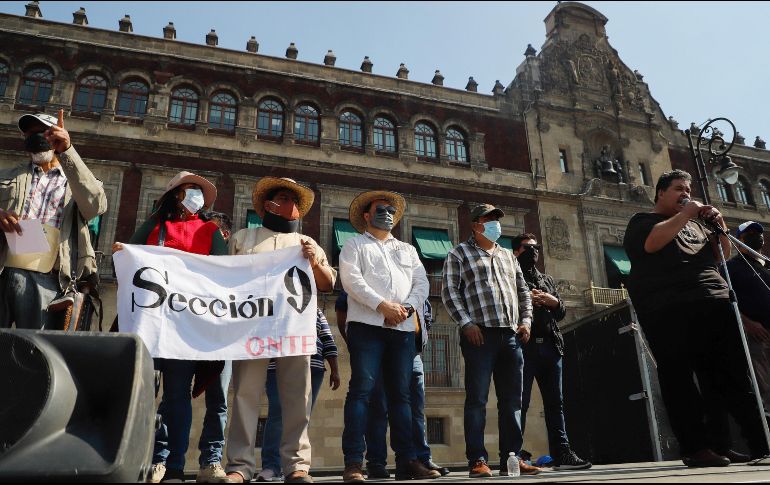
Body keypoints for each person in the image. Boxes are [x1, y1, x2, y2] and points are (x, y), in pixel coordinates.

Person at [623, 169, 769, 467]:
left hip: (714, 301)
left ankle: (753, 444)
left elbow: (721, 256)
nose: (685, 193)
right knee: (680, 380)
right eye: (678, 188)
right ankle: (695, 447)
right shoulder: (643, 222)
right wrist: (686, 213)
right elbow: (653, 244)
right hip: (669, 307)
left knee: (731, 378)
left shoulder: (696, 225)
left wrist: (718, 225)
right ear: (661, 193)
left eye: (688, 188)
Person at [114, 171, 228, 482]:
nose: (197, 196)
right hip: (154, 320)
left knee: (186, 394)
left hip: (192, 322)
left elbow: (223, 275)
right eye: (192, 189)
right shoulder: (153, 224)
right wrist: (120, 253)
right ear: (176, 193)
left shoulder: (210, 231)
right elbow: (129, 253)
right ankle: (158, 461)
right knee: (158, 393)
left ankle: (185, 463)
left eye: (200, 191)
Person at [224, 177, 335, 484]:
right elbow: (221, 278)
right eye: (285, 198)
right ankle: (240, 466)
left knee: (297, 397)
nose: (292, 206)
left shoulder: (308, 243)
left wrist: (314, 262)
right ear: (268, 205)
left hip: (294, 328)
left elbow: (328, 283)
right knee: (245, 394)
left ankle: (297, 465)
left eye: (295, 201)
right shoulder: (243, 238)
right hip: (250, 328)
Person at [339, 190, 439, 483]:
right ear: (367, 215)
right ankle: (354, 463)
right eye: (380, 209)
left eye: (391, 210)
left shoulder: (408, 250)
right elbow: (350, 280)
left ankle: (407, 462)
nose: (387, 213)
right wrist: (382, 305)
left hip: (403, 328)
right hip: (367, 326)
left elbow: (421, 282)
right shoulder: (354, 245)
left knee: (402, 397)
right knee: (361, 392)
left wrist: (406, 308)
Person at [441, 203, 541, 478]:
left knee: (513, 401)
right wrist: (466, 323)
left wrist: (527, 321)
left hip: (511, 335)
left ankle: (512, 458)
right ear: (476, 225)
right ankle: (477, 460)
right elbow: (449, 292)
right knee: (477, 399)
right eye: (490, 219)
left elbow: (523, 292)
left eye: (497, 219)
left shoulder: (509, 256)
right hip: (479, 336)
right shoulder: (458, 254)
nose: (496, 224)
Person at [0, 112, 107, 329]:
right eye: (30, 134)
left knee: (33, 349)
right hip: (3, 267)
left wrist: (67, 151)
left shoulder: (79, 182)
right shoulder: (5, 176)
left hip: (49, 278)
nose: (37, 138)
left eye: (44, 132)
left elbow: (95, 206)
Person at [336, 290, 449, 479]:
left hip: (411, 352)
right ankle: (376, 463)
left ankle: (419, 458)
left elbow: (425, 318)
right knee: (378, 407)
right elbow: (341, 307)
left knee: (414, 407)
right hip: (378, 347)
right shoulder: (374, 279)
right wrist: (355, 343)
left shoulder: (415, 285)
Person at [512, 233, 591, 471]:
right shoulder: (510, 276)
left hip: (550, 346)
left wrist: (552, 301)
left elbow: (562, 312)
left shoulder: (546, 279)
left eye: (537, 248)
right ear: (517, 251)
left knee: (555, 403)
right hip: (523, 347)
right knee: (520, 402)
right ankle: (514, 454)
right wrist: (525, 301)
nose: (534, 251)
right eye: (528, 248)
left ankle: (562, 453)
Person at [255, 308, 341, 482]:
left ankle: (295, 466)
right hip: (276, 366)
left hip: (313, 366)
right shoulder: (270, 302)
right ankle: (271, 466)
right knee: (277, 414)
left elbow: (327, 338)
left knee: (302, 416)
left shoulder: (315, 309)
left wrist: (335, 370)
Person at [196, 210, 234, 483]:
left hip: (222, 337)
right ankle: (164, 459)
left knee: (218, 401)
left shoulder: (237, 264)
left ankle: (211, 460)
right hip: (185, 331)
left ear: (226, 235)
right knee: (172, 397)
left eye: (216, 233)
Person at [726, 221, 770, 414]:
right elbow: (725, 299)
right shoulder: (731, 267)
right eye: (749, 233)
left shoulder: (766, 265)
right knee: (764, 385)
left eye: (758, 233)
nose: (756, 236)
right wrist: (747, 322)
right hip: (756, 335)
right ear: (739, 239)